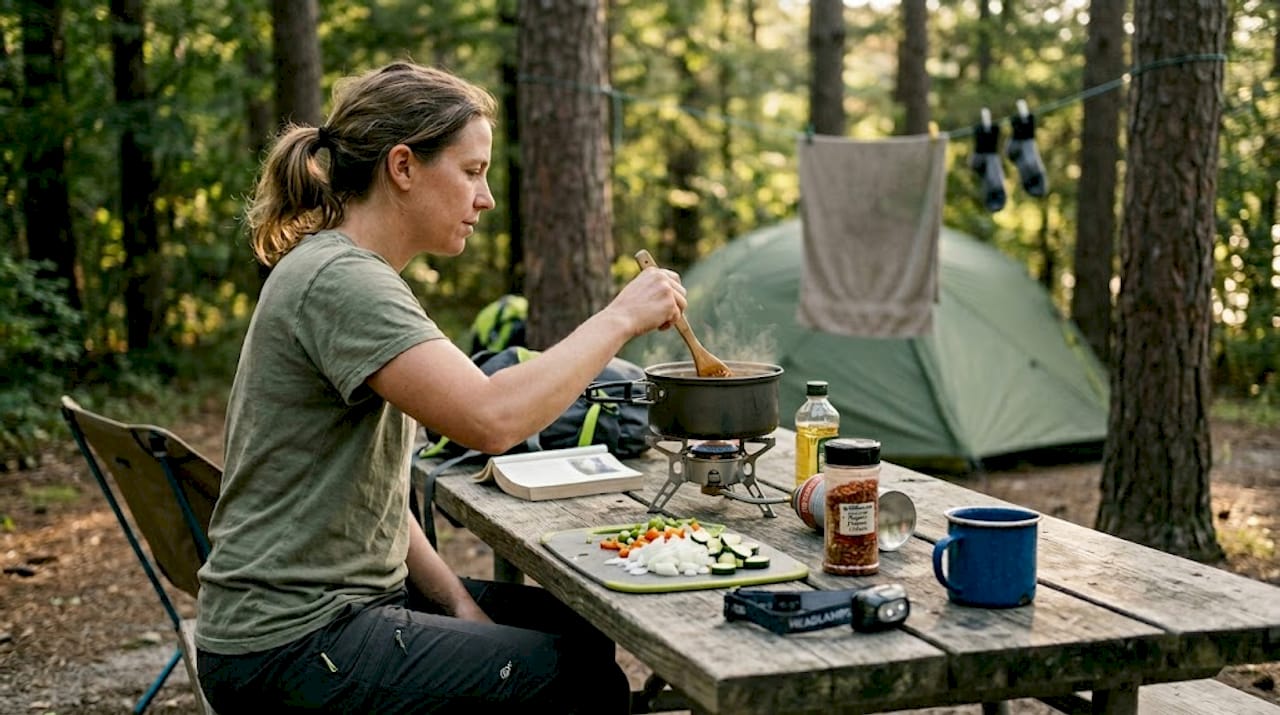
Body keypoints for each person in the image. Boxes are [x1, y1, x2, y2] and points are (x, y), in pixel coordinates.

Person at [194, 61, 686, 714]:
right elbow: (492, 418)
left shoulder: (352, 272)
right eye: (472, 172)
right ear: (403, 167)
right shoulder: (343, 280)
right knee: (575, 678)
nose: (484, 198)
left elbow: (374, 497)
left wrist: (454, 598)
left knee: (579, 630)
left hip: (338, 609)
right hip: (291, 639)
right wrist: (620, 317)